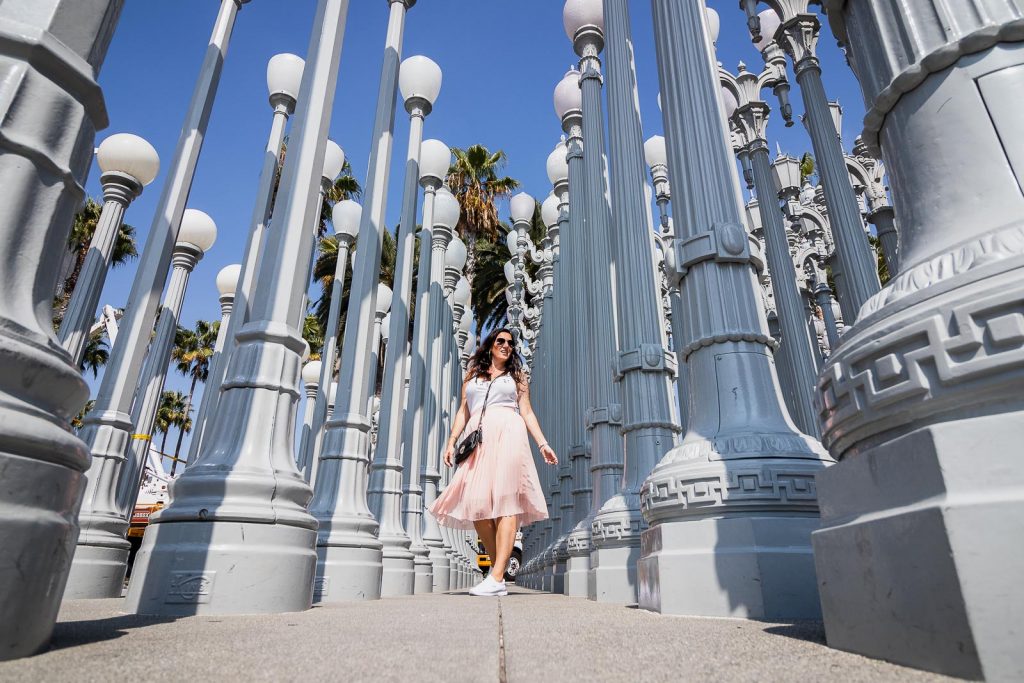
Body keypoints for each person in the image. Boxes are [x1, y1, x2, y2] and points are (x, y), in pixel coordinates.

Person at [428, 327, 557, 597]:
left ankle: (496, 576)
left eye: (510, 343)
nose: (506, 345)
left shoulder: (517, 377)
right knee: (475, 503)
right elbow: (463, 411)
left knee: (507, 501)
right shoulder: (472, 376)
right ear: (490, 345)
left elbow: (528, 412)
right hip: (479, 440)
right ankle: (499, 564)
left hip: (510, 434)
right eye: (501, 341)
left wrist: (542, 443)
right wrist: (451, 441)